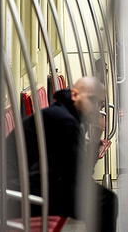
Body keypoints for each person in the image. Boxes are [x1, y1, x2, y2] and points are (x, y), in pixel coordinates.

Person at [7, 76, 117, 232]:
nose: (94, 108)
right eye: (91, 100)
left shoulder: (64, 115)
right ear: (74, 95)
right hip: (18, 194)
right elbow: (81, 174)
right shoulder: (64, 121)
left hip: (29, 184)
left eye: (99, 103)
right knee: (105, 201)